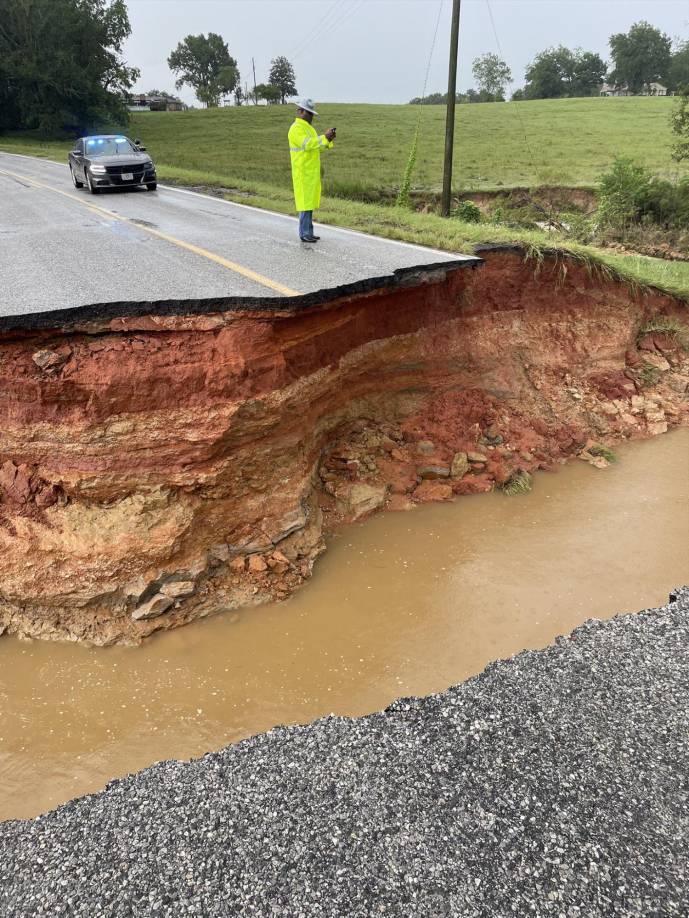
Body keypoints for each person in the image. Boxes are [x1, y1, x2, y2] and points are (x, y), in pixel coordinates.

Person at [288, 98, 336, 243]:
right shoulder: (296, 129)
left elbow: (316, 146)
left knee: (309, 203)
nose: (311, 116)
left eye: (312, 114)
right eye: (309, 113)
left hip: (311, 172)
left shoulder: (309, 128)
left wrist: (328, 140)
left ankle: (309, 231)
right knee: (304, 204)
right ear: (301, 112)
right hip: (302, 171)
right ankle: (304, 233)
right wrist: (324, 137)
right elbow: (308, 144)